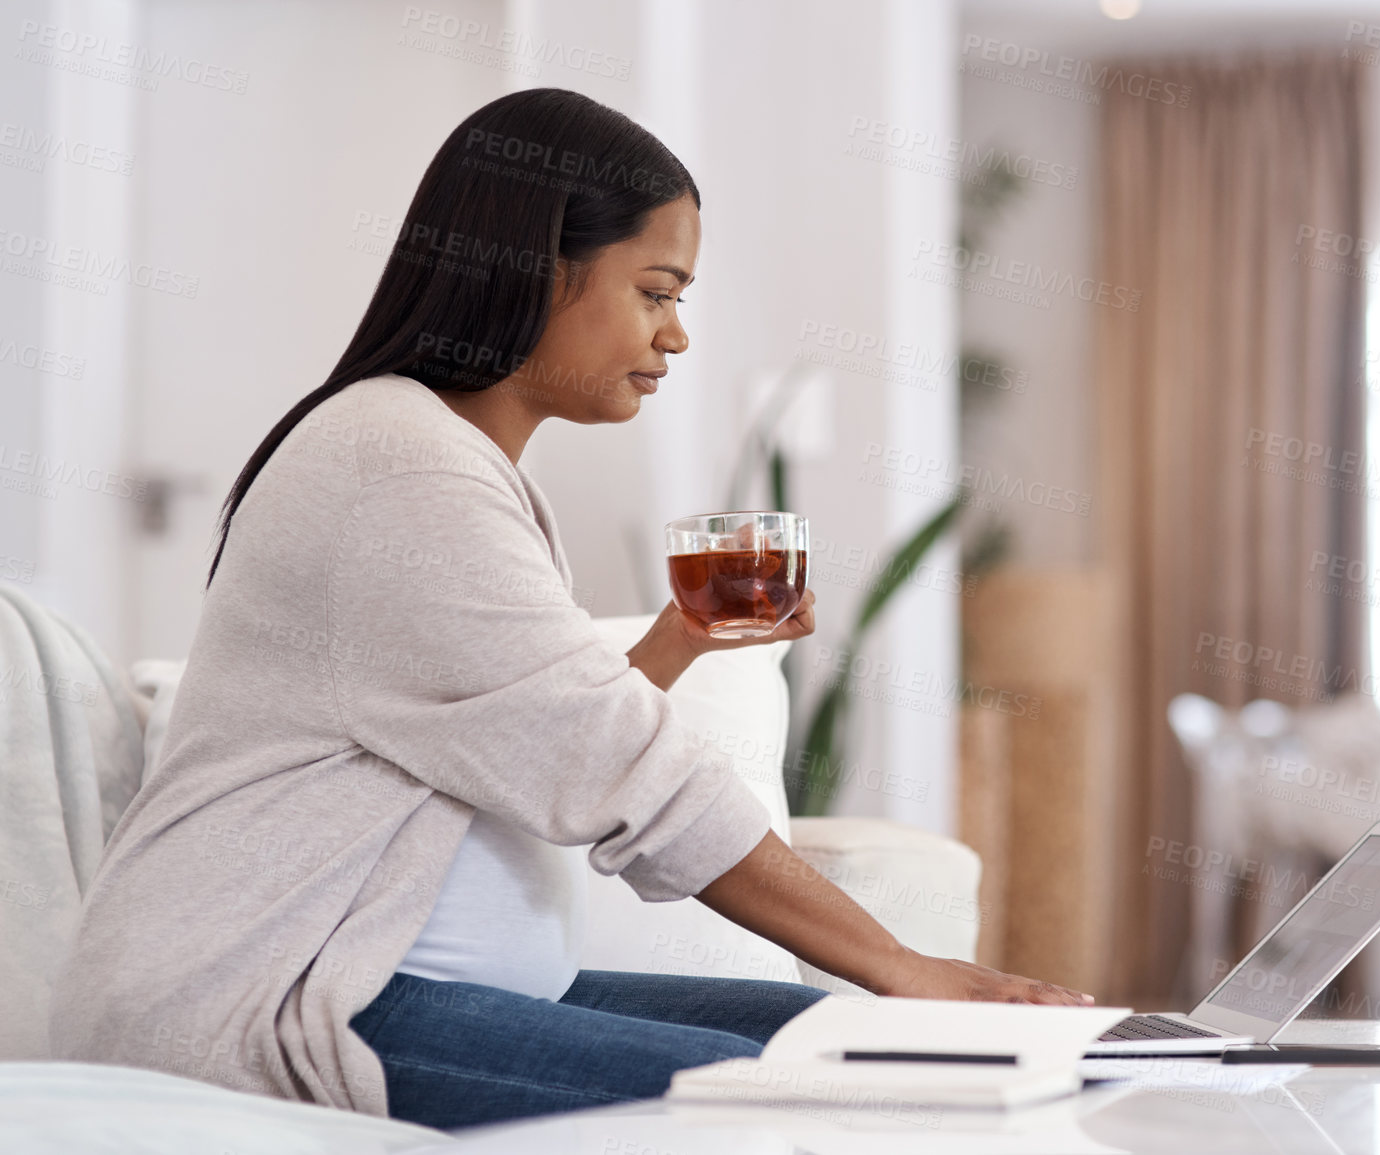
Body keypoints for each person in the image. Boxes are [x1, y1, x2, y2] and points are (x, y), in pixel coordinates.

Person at [48, 88, 1091, 1132]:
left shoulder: (450, 461)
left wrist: (678, 642)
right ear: (542, 268)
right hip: (279, 1000)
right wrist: (903, 966)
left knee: (852, 1045)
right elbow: (633, 778)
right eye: (655, 290)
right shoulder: (398, 467)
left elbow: (532, 747)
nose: (675, 334)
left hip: (411, 985)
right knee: (836, 1085)